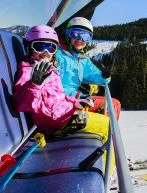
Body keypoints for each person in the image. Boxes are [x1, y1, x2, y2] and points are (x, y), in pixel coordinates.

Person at [13, 25, 115, 176]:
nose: (45, 53)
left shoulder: (48, 69)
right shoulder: (29, 71)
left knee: (107, 115)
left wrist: (75, 101)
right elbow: (21, 103)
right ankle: (107, 172)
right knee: (107, 125)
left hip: (64, 114)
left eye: (51, 47)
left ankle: (104, 165)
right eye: (40, 46)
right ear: (29, 47)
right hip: (55, 123)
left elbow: (58, 95)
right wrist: (34, 84)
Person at [55, 17, 121, 120]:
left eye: (85, 36)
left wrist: (105, 75)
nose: (80, 40)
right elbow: (53, 86)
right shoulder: (57, 54)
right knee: (112, 104)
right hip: (62, 101)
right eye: (75, 34)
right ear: (68, 34)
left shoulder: (81, 59)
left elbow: (97, 77)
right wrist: (78, 96)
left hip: (75, 98)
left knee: (113, 104)